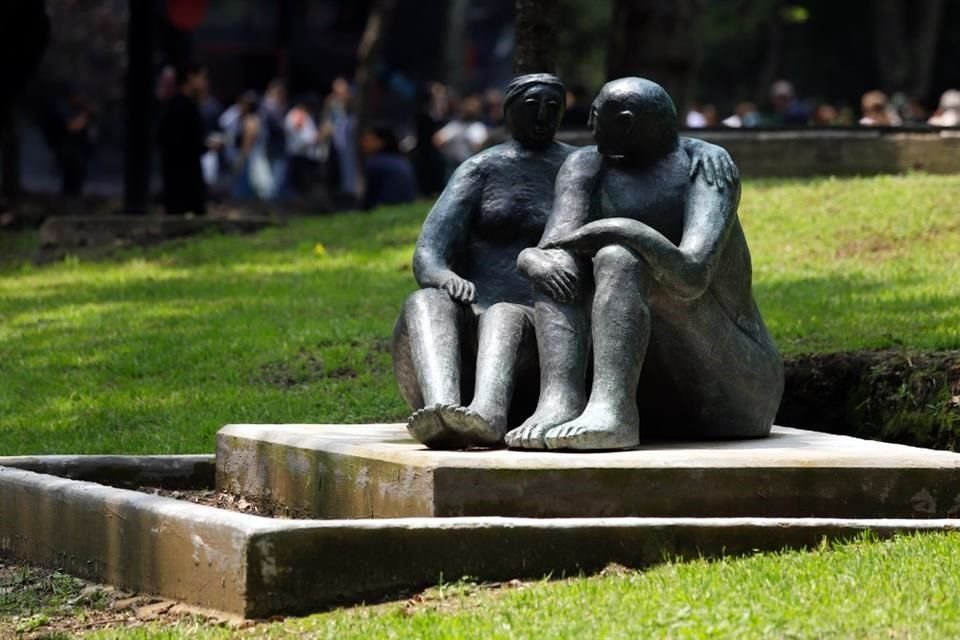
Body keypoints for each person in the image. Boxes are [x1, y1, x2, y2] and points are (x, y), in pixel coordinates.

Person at [392, 73, 736, 449]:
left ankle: (489, 414)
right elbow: (430, 251)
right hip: (486, 309)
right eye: (530, 107)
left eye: (553, 108)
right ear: (508, 112)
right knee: (426, 301)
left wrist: (699, 147)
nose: (544, 116)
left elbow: (653, 146)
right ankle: (441, 406)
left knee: (508, 312)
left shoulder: (589, 162)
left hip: (541, 320)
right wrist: (446, 277)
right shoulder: (484, 169)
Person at [505, 77, 783, 451]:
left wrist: (618, 229)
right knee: (558, 267)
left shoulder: (705, 169)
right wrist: (531, 257)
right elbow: (556, 247)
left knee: (618, 258)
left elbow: (691, 277)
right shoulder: (586, 166)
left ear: (627, 122)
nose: (588, 124)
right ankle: (560, 400)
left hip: (736, 386)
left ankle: (612, 411)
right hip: (658, 396)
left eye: (597, 115)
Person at [158, 63, 208, 215]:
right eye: (202, 77)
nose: (205, 82)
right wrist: (203, 146)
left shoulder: (177, 104)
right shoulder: (183, 106)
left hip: (178, 175)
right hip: (183, 176)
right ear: (190, 77)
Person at [361, 125, 416, 210]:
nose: (364, 144)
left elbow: (370, 199)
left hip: (386, 208)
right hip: (407, 207)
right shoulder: (401, 160)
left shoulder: (375, 164)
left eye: (369, 140)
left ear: (381, 141)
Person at [432, 94, 489, 175]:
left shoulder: (478, 127)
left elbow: (480, 148)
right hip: (452, 166)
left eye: (472, 108)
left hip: (471, 166)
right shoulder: (455, 125)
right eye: (467, 107)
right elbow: (437, 140)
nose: (469, 110)